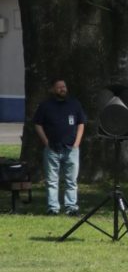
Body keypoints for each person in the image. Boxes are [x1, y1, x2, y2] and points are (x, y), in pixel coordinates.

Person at [33, 79, 87, 216]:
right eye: (59, 87)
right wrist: (45, 141)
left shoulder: (74, 104)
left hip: (71, 149)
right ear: (52, 90)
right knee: (51, 180)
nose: (63, 89)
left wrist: (77, 143)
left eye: (64, 86)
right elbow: (37, 124)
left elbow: (81, 123)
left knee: (71, 180)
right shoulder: (45, 106)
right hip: (52, 149)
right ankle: (53, 208)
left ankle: (71, 208)